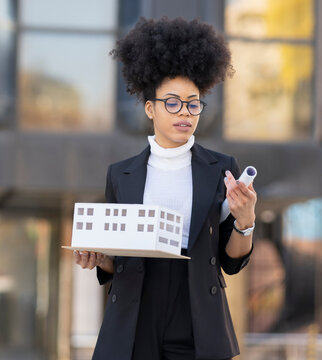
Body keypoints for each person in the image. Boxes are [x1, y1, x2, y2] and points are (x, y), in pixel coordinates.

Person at [74, 17, 256, 360]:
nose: (184, 112)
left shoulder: (222, 169)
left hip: (198, 316)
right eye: (172, 102)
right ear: (150, 108)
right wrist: (97, 259)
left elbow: (231, 262)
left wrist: (246, 221)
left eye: (193, 103)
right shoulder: (120, 175)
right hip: (134, 314)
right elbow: (116, 261)